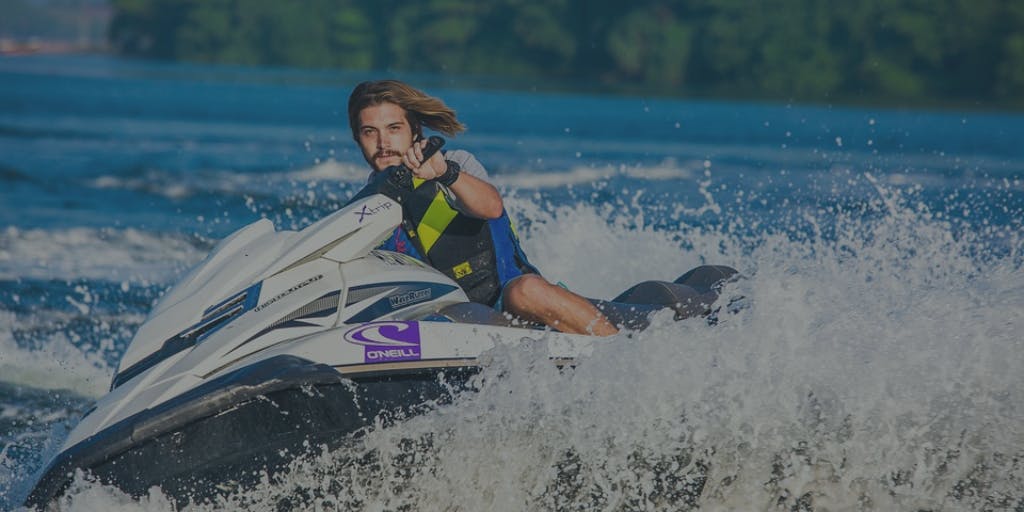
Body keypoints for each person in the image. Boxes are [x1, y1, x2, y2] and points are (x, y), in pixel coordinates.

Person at [347, 80, 618, 336]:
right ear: (358, 138)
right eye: (370, 132)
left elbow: (491, 207)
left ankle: (621, 353)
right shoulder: (362, 208)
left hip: (508, 296)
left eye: (394, 128)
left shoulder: (455, 163)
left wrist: (445, 173)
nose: (383, 143)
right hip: (440, 316)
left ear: (414, 130)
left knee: (526, 291)